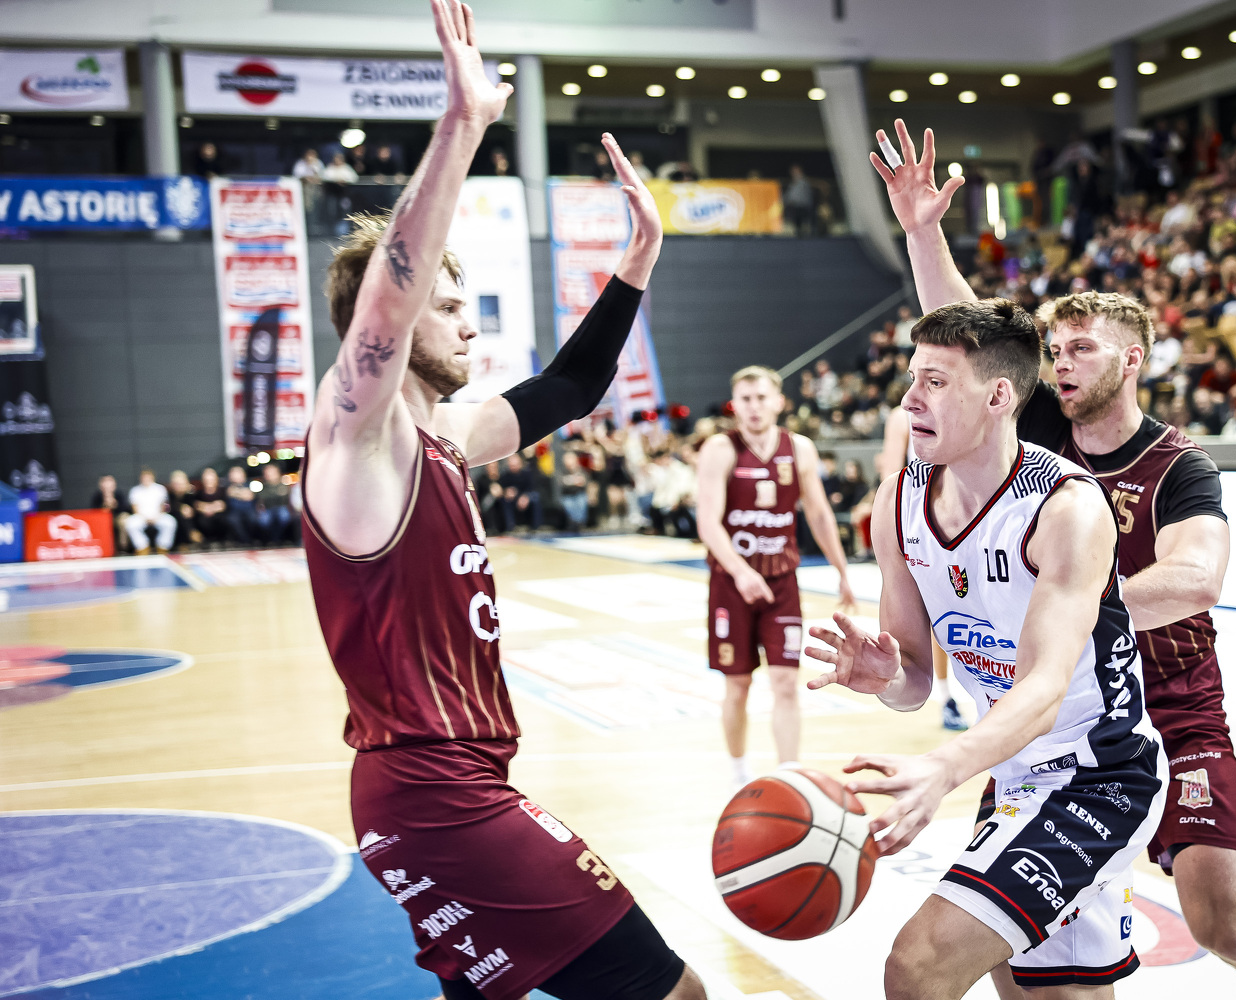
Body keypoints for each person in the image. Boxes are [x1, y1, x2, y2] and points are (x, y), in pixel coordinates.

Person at [299, 6, 702, 999]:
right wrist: (461, 127)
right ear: (390, 324)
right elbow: (387, 298)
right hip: (441, 797)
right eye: (446, 304)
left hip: (447, 790)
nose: (466, 321)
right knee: (675, 992)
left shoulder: (448, 439)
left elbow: (571, 386)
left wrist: (636, 264)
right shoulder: (357, 440)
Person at [874, 118, 1236, 1000]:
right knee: (1033, 973)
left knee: (1224, 925)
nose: (1064, 362)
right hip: (1052, 721)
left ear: (1133, 359)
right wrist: (924, 232)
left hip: (1169, 709)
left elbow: (1198, 579)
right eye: (1056, 350)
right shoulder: (1040, 432)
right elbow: (973, 342)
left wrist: (1077, 602)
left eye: (1083, 347)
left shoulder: (1179, 465)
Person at [806, 298, 1166, 998]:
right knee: (1047, 993)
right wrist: (887, 675)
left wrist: (943, 769)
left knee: (918, 965)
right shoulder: (898, 501)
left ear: (999, 397)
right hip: (1014, 770)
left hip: (1102, 777)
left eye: (935, 382)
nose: (910, 399)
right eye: (912, 378)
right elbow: (914, 683)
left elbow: (1043, 689)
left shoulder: (1065, 507)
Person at [695, 365, 856, 790]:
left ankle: (789, 777)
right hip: (732, 583)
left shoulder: (799, 448)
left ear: (779, 402)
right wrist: (741, 571)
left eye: (761, 398)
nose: (754, 407)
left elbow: (818, 513)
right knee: (738, 684)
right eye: (745, 399)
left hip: (782, 581)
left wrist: (842, 570)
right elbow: (707, 522)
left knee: (786, 682)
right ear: (734, 405)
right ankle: (738, 772)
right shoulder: (720, 448)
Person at [877, 405, 969, 732]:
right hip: (924, 522)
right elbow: (890, 477)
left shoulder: (963, 408)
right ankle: (947, 697)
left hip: (969, 515)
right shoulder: (901, 416)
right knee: (936, 618)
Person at [124, 468, 175, 555]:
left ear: (152, 477)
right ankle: (142, 547)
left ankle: (162, 546)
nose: (146, 479)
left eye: (148, 477)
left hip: (158, 516)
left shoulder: (160, 489)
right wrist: (145, 518)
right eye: (144, 477)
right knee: (130, 523)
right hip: (141, 517)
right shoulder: (135, 490)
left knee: (170, 522)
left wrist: (156, 516)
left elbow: (163, 505)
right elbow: (135, 508)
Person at [256, 463, 297, 545]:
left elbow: (286, 498)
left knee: (283, 516)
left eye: (272, 472)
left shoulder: (284, 484)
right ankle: (272, 540)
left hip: (282, 508)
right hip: (267, 509)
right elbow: (261, 499)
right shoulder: (262, 486)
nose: (270, 475)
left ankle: (278, 539)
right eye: (267, 473)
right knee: (264, 520)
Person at [190, 467, 230, 546]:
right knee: (202, 520)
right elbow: (196, 505)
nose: (209, 482)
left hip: (219, 517)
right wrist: (213, 506)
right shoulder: (199, 493)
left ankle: (222, 540)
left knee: (224, 519)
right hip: (204, 518)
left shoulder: (222, 491)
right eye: (206, 480)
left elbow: (223, 505)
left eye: (211, 479)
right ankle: (207, 541)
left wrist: (207, 507)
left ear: (216, 480)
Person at [90, 473, 126, 551]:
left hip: (117, 517)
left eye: (109, 482)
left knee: (123, 521)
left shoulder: (119, 494)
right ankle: (103, 546)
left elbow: (125, 509)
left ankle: (123, 546)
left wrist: (115, 505)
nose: (107, 485)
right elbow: (93, 512)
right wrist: (104, 506)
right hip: (103, 520)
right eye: (104, 482)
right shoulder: (97, 496)